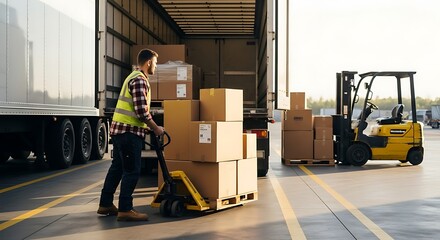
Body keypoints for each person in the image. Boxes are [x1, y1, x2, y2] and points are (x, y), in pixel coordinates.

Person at [97, 49, 164, 221]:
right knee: (132, 171)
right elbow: (141, 111)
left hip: (121, 131)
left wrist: (146, 127)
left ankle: (105, 204)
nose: (155, 66)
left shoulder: (131, 76)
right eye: (155, 63)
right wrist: (156, 128)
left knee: (117, 168)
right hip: (129, 133)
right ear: (148, 62)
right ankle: (125, 209)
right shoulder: (140, 80)